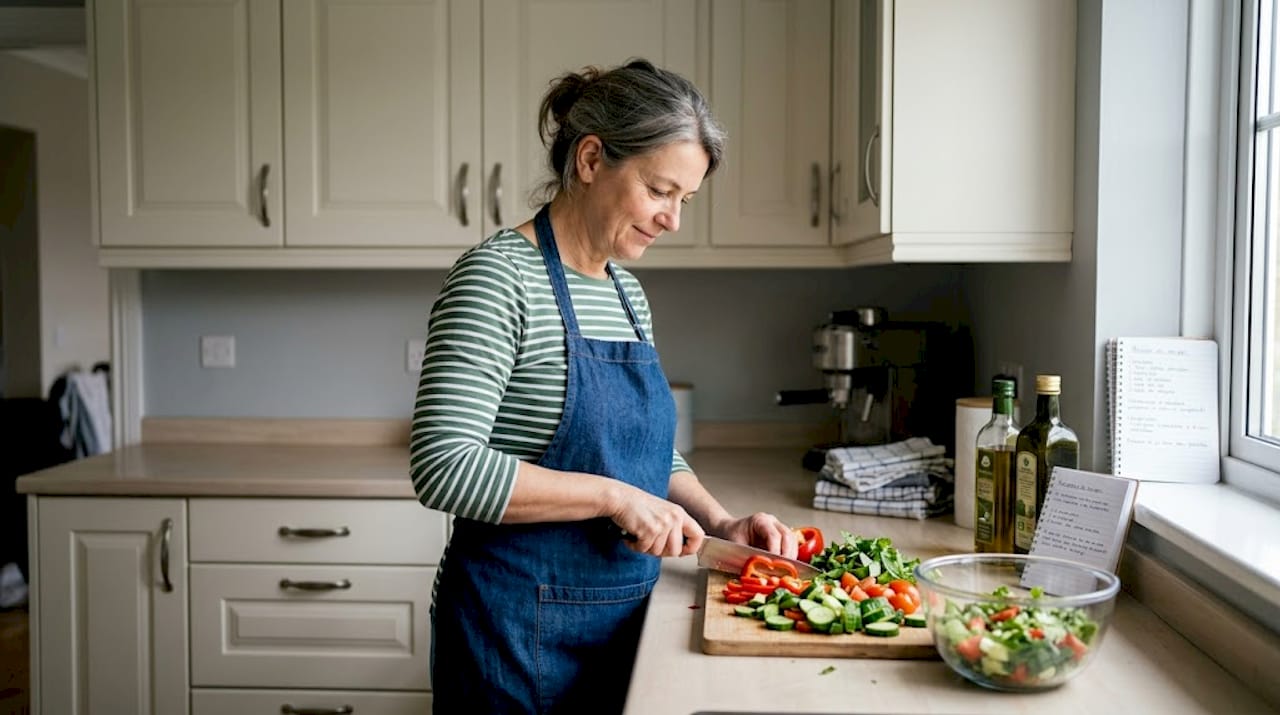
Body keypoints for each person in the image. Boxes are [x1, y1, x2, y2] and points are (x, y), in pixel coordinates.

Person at [409, 58, 800, 714]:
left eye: (686, 199)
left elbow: (640, 453)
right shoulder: (497, 279)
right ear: (591, 159)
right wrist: (612, 498)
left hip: (620, 621)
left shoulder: (625, 292)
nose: (673, 219)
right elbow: (443, 467)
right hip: (511, 635)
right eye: (659, 190)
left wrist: (722, 521)